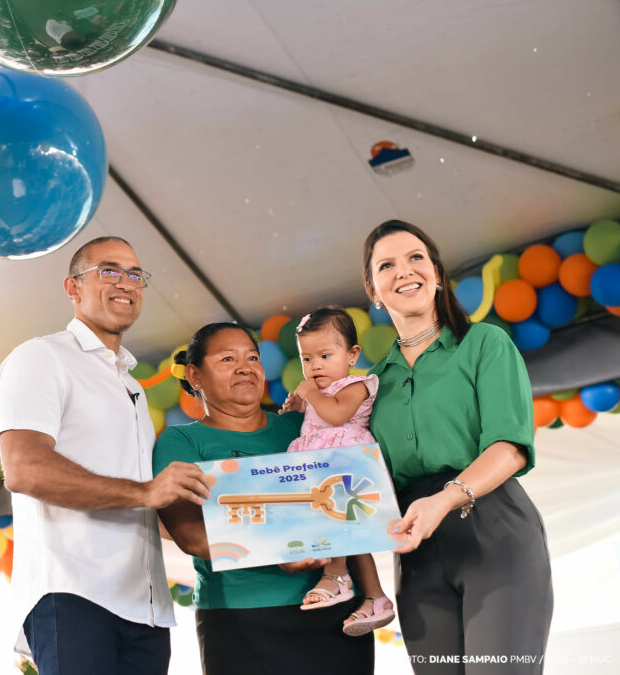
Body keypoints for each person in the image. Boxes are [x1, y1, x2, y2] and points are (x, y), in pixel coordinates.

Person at [0, 236, 213, 675]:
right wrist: (147, 492)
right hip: (73, 594)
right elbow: (24, 468)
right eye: (109, 271)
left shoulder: (131, 386)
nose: (125, 283)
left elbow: (148, 504)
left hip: (148, 609)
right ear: (72, 288)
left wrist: (260, 535)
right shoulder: (40, 357)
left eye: (135, 274)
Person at [362, 220, 553, 672]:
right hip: (417, 552)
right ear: (373, 291)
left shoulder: (484, 343)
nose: (404, 271)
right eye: (386, 265)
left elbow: (509, 447)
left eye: (416, 258)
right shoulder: (370, 384)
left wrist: (446, 499)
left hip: (493, 531)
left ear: (437, 273)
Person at [154, 322, 375, 675]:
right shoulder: (181, 441)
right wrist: (278, 548)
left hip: (337, 610)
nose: (245, 367)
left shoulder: (302, 428)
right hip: (240, 617)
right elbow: (190, 534)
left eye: (253, 358)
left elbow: (358, 495)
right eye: (228, 359)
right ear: (195, 376)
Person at [279, 306, 394, 636]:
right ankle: (376, 597)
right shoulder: (320, 392)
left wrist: (310, 394)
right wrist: (300, 406)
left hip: (346, 464)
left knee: (336, 525)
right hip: (322, 466)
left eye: (325, 356)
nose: (315, 366)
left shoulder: (358, 385)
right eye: (307, 358)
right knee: (351, 538)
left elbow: (337, 415)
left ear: (352, 354)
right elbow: (319, 414)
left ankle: (336, 576)